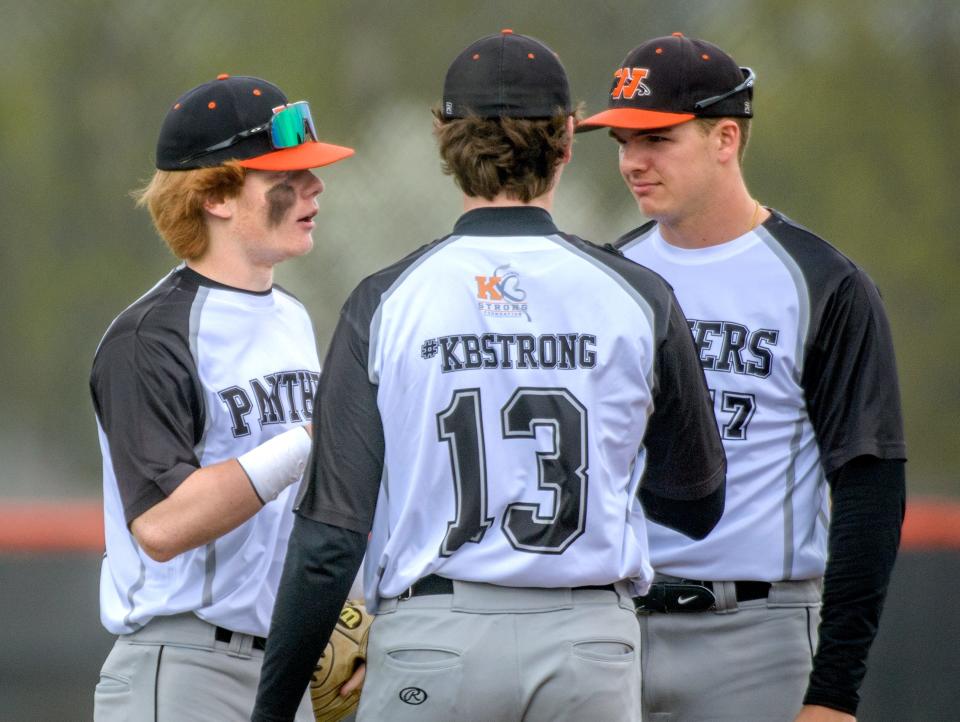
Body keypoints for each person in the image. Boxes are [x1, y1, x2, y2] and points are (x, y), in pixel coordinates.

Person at [252, 29, 726, 722]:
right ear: (566, 139)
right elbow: (696, 503)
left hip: (436, 640)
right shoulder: (639, 297)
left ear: (445, 141)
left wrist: (271, 710)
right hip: (587, 646)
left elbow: (330, 541)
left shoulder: (386, 302)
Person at [578, 32, 907, 722]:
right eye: (622, 142)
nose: (632, 161)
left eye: (657, 138)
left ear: (725, 137)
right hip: (610, 629)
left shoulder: (822, 283)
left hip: (759, 635)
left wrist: (834, 691)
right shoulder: (607, 278)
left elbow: (870, 489)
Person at [89, 73, 354, 721]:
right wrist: (310, 440)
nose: (314, 187)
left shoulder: (291, 318)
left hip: (281, 662)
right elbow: (162, 524)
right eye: (284, 177)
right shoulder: (149, 337)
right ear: (216, 196)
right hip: (181, 664)